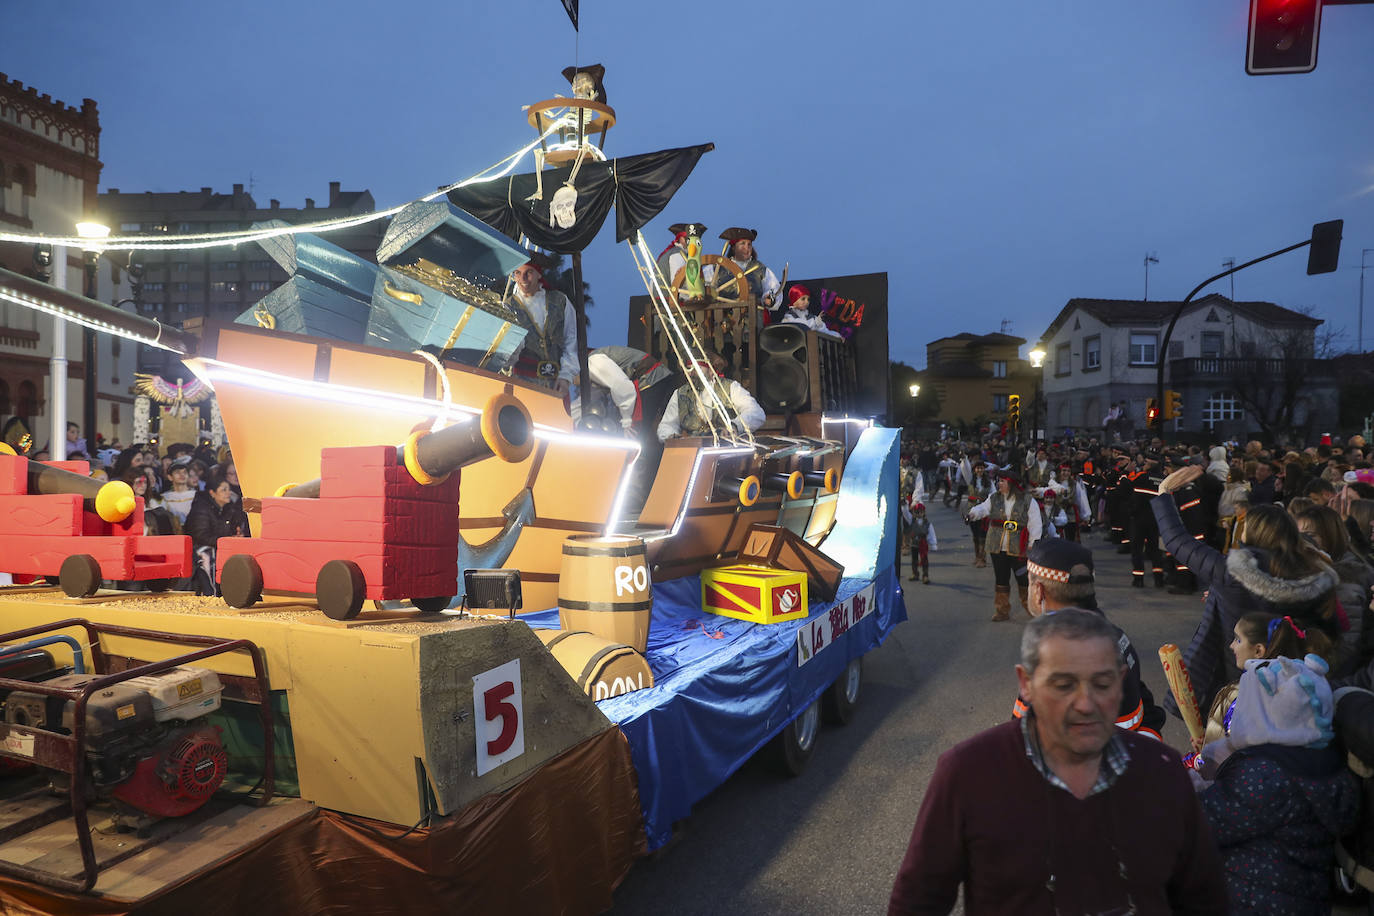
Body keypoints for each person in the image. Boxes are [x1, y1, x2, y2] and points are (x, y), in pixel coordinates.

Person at [887, 609, 1229, 916]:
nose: (1085, 703)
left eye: (1102, 683)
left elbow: (1204, 900)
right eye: (1064, 685)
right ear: (1026, 684)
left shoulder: (1162, 771)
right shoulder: (967, 774)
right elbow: (918, 902)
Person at [1155, 464, 1340, 716]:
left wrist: (1164, 493)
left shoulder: (1230, 573)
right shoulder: (1314, 576)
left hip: (1236, 681)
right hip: (1296, 682)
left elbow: (1177, 540)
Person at [1194, 652, 1359, 916]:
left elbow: (1202, 823)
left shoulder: (1264, 777)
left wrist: (1204, 776)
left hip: (1252, 902)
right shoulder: (1325, 762)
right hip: (1305, 899)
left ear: (1263, 716)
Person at [1012, 538, 1167, 740]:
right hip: (1132, 757)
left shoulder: (1051, 656)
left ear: (1039, 591)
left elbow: (1022, 736)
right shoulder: (1115, 635)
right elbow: (1141, 695)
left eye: (1030, 584)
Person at [965, 470, 1043, 621]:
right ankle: (1002, 610)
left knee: (1023, 580)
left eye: (1002, 481)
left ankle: (1032, 609)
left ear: (1011, 483)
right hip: (997, 544)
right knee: (1001, 578)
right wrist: (972, 514)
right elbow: (983, 508)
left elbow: (1035, 523)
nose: (998, 484)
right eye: (998, 481)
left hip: (1018, 546)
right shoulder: (994, 498)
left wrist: (1033, 543)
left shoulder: (1027, 500)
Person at [503, 256, 579, 397]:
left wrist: (565, 377)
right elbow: (507, 352)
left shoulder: (560, 301)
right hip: (522, 385)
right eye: (518, 273)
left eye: (529, 272)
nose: (523, 279)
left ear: (539, 274)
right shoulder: (508, 307)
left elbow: (571, 340)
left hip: (556, 386)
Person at [657, 350, 765, 440]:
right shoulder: (680, 394)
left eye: (696, 368)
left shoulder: (730, 387)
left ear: (711, 371)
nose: (691, 373)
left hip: (728, 450)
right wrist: (671, 436)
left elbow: (756, 413)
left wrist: (734, 426)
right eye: (689, 368)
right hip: (694, 451)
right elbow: (666, 425)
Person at [183, 468, 250, 596]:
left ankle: (238, 594)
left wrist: (236, 536)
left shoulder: (228, 508)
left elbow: (231, 529)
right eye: (223, 490)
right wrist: (226, 541)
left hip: (220, 545)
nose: (228, 493)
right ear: (212, 493)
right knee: (208, 554)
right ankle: (211, 594)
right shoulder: (201, 509)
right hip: (198, 548)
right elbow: (200, 535)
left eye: (229, 489)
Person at [715, 227, 779, 308]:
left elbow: (773, 288)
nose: (747, 247)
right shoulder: (718, 269)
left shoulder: (759, 269)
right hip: (724, 317)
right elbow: (703, 286)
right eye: (743, 243)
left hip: (754, 316)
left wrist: (769, 298)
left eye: (749, 244)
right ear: (734, 247)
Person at [907, 502, 937, 584]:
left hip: (923, 543)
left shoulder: (928, 524)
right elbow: (906, 514)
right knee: (914, 560)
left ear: (924, 512)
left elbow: (931, 533)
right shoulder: (911, 521)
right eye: (917, 512)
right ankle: (915, 573)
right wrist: (904, 506)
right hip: (914, 543)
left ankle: (925, 575)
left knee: (924, 560)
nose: (919, 513)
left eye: (920, 512)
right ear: (914, 512)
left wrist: (933, 543)